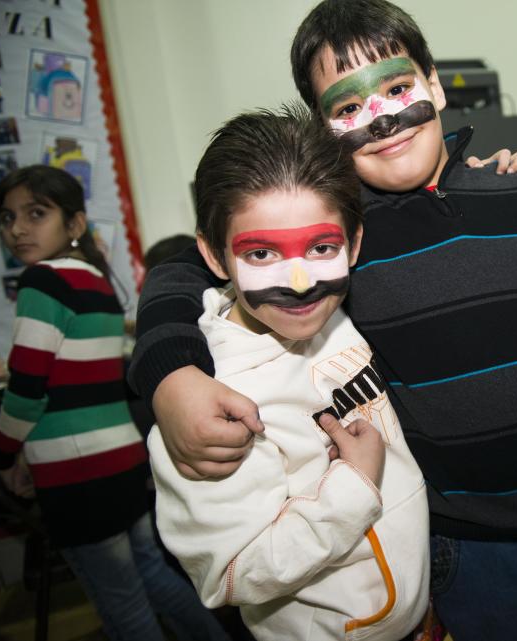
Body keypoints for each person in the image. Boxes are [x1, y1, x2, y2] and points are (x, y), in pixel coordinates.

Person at [127, 2, 517, 640]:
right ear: (323, 128)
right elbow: (189, 272)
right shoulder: (340, 243)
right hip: (469, 549)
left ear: (436, 84)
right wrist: (170, 373)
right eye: (348, 106)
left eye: (397, 88)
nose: (382, 118)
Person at [145, 105, 429, 641]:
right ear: (214, 255)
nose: (299, 283)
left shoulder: (338, 312)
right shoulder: (209, 403)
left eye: (322, 248)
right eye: (262, 254)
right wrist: (353, 486)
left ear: (354, 244)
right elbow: (226, 575)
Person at [0, 165, 229, 641]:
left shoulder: (42, 281)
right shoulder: (96, 283)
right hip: (121, 461)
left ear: (75, 224)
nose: (17, 228)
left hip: (76, 472)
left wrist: (2, 455)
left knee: (122, 606)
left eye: (36, 213)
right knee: (156, 579)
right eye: (7, 217)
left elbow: (28, 385)